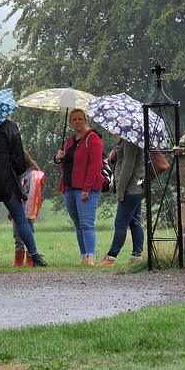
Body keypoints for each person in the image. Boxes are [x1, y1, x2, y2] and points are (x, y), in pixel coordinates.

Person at [0, 117, 49, 267]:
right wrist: (19, 173)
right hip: (6, 175)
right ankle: (35, 256)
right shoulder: (10, 126)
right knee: (20, 217)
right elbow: (17, 154)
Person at [55, 108, 104, 266]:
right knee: (78, 224)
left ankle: (91, 257)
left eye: (80, 119)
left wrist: (86, 188)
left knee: (87, 224)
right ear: (70, 123)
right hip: (69, 187)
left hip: (86, 189)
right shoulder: (70, 141)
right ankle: (83, 256)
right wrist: (61, 159)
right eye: (74, 120)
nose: (77, 122)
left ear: (85, 120)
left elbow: (95, 165)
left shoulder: (93, 138)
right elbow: (67, 167)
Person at [95, 137, 146, 267]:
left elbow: (128, 166)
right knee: (135, 223)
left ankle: (111, 258)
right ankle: (136, 257)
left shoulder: (131, 140)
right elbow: (125, 161)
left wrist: (121, 190)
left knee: (120, 223)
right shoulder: (126, 139)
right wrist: (115, 158)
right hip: (135, 187)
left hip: (131, 188)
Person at [8, 151, 45, 266]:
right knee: (16, 235)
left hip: (27, 210)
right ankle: (18, 260)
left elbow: (33, 194)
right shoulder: (16, 176)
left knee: (29, 232)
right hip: (17, 209)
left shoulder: (33, 175)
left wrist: (29, 211)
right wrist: (10, 210)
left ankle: (30, 258)